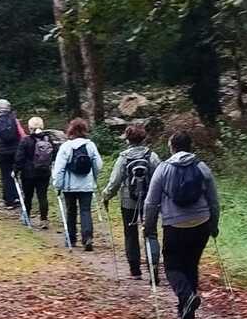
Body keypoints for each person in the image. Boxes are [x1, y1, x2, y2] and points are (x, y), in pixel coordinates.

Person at [144, 131, 220, 319]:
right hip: (201, 223)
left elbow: (151, 202)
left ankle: (187, 297)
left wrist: (149, 227)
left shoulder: (163, 169)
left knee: (172, 267)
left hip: (174, 225)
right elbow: (213, 200)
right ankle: (186, 310)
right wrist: (213, 225)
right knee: (191, 264)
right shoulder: (202, 167)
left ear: (172, 147)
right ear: (190, 146)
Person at [102, 124, 161, 279]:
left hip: (128, 202)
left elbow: (115, 181)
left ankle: (135, 271)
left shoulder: (124, 158)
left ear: (128, 140)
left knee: (130, 234)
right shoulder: (152, 156)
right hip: (149, 201)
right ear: (143, 138)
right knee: (151, 233)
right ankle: (153, 264)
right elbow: (160, 178)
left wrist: (106, 196)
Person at [52, 118, 103, 250]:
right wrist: (93, 177)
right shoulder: (90, 146)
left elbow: (59, 169)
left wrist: (58, 185)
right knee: (85, 210)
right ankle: (87, 238)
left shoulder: (66, 147)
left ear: (71, 130)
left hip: (69, 187)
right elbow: (98, 165)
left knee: (71, 211)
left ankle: (71, 238)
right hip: (86, 186)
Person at [14, 116, 54, 228]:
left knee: (28, 196)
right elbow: (53, 155)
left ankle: (26, 217)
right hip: (44, 172)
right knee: (42, 196)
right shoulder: (48, 140)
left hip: (28, 173)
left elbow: (19, 158)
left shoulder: (25, 140)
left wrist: (16, 170)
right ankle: (44, 219)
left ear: (30, 127)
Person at [0, 99, 26, 208]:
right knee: (15, 173)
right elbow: (23, 136)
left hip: (2, 153)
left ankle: (9, 200)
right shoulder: (15, 121)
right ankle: (17, 196)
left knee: (6, 175)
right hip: (16, 151)